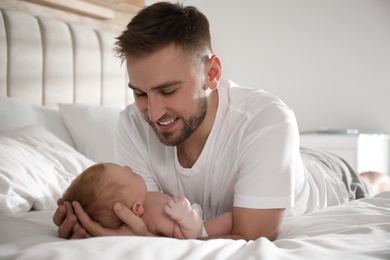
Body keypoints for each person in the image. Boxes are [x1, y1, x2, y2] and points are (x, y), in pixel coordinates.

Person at [53, 2, 372, 241]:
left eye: (168, 90)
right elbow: (145, 217)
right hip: (274, 163)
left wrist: (150, 244)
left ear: (212, 74)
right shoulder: (132, 124)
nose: (152, 113)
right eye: (140, 93)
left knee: (370, 180)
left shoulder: (268, 121)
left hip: (331, 178)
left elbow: (247, 241)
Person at [62, 162, 233, 239]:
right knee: (231, 220)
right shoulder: (155, 215)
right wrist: (186, 216)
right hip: (201, 229)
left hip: (194, 220)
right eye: (130, 174)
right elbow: (190, 235)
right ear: (136, 208)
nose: (129, 167)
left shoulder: (143, 200)